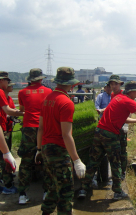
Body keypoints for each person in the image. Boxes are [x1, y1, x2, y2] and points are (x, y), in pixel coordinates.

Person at [78, 81, 136, 200]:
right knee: (115, 162)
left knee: (93, 161)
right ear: (131, 91)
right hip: (110, 134)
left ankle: (83, 189)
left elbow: (123, 118)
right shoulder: (128, 101)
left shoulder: (118, 97)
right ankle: (118, 191)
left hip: (99, 132)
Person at [36, 67, 86, 215]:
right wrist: (76, 160)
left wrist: (39, 150)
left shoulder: (46, 100)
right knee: (65, 191)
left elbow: (40, 128)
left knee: (53, 185)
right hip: (58, 151)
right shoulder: (66, 102)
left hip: (46, 149)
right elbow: (66, 135)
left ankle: (46, 212)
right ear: (71, 84)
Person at [16, 68, 52, 203]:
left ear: (30, 79)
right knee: (46, 160)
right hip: (44, 128)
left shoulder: (22, 92)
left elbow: (22, 110)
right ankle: (47, 192)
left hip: (29, 129)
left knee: (26, 161)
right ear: (41, 79)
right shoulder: (48, 92)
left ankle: (22, 194)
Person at [0, 72, 24, 194]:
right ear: (2, 80)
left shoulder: (7, 97)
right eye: (7, 81)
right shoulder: (0, 92)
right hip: (2, 130)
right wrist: (25, 114)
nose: (9, 84)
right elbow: (8, 110)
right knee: (4, 157)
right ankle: (8, 186)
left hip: (5, 127)